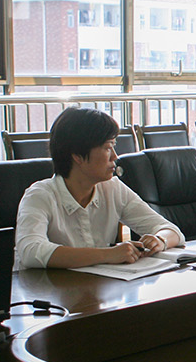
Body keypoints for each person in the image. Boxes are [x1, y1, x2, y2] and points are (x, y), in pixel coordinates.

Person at [15, 107, 184, 270]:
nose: (115, 156)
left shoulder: (113, 188)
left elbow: (172, 231)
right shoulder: (39, 196)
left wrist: (159, 240)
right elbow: (31, 251)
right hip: (48, 288)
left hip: (100, 284)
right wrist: (108, 254)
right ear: (77, 156)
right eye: (108, 147)